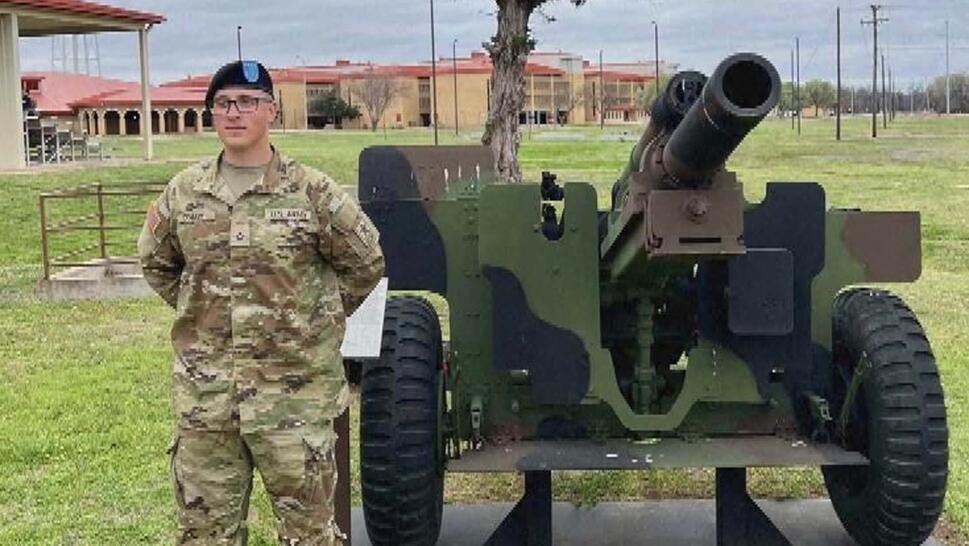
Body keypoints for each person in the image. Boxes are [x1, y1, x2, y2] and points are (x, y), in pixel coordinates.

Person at [138, 60, 384, 545]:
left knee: (310, 535)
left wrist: (312, 321)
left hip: (293, 401)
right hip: (208, 403)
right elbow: (157, 264)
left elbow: (366, 263)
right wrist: (210, 314)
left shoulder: (312, 192)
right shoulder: (184, 193)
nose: (234, 112)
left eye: (248, 102)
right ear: (212, 113)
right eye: (224, 103)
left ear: (271, 109)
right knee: (204, 534)